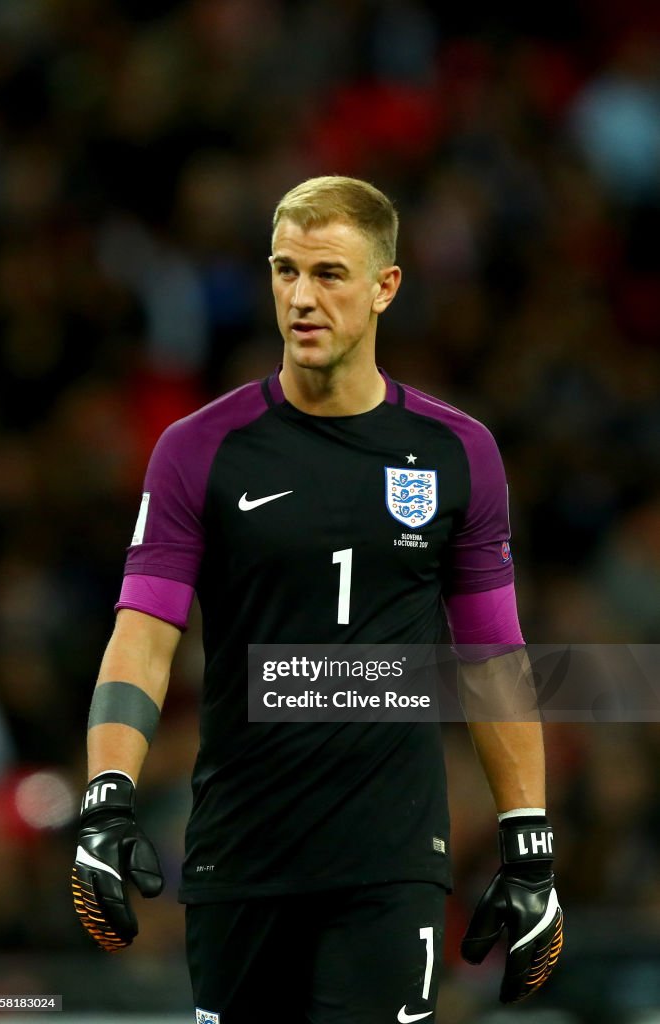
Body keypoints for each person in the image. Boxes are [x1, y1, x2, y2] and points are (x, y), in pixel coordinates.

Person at [72, 176, 563, 1023]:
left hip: (390, 859)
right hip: (239, 855)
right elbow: (143, 634)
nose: (301, 297)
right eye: (284, 270)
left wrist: (528, 845)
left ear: (385, 287)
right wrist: (105, 793)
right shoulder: (198, 450)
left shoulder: (457, 453)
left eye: (329, 274)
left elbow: (492, 654)